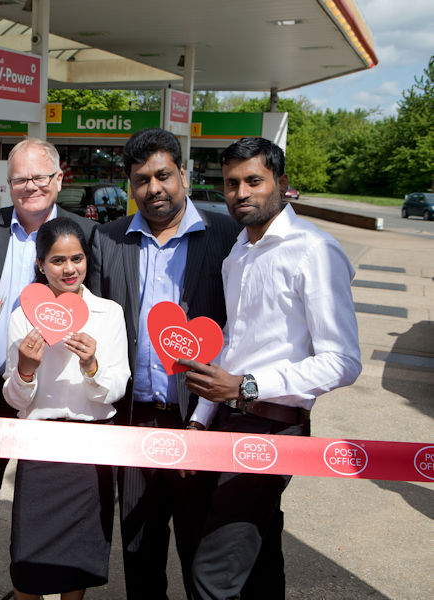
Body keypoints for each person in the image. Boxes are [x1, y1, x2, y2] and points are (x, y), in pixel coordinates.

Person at [179, 137, 361, 599]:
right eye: (231, 183)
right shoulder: (238, 253)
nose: (241, 193)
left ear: (281, 183)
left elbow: (342, 361)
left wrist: (248, 386)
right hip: (228, 421)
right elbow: (235, 345)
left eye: (253, 181)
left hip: (273, 430)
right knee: (259, 563)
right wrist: (201, 419)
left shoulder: (314, 250)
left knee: (212, 575)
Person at [86, 127, 240, 599]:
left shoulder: (227, 235)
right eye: (140, 180)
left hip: (202, 421)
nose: (153, 188)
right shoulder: (108, 240)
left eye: (163, 175)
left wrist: (205, 417)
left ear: (184, 175)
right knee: (140, 553)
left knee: (202, 552)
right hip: (136, 422)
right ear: (129, 185)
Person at [0, 137, 96, 600]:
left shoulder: (85, 234)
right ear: (8, 184)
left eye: (40, 177)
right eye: (20, 179)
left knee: (52, 506)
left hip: (53, 397)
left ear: (59, 179)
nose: (30, 187)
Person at [3, 217, 130, 600]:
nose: (69, 269)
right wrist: (26, 368)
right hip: (40, 446)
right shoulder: (23, 316)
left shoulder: (109, 313)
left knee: (77, 563)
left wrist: (91, 366)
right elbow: (15, 399)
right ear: (41, 263)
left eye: (77, 258)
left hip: (91, 448)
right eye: (58, 261)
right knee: (28, 563)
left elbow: (116, 389)